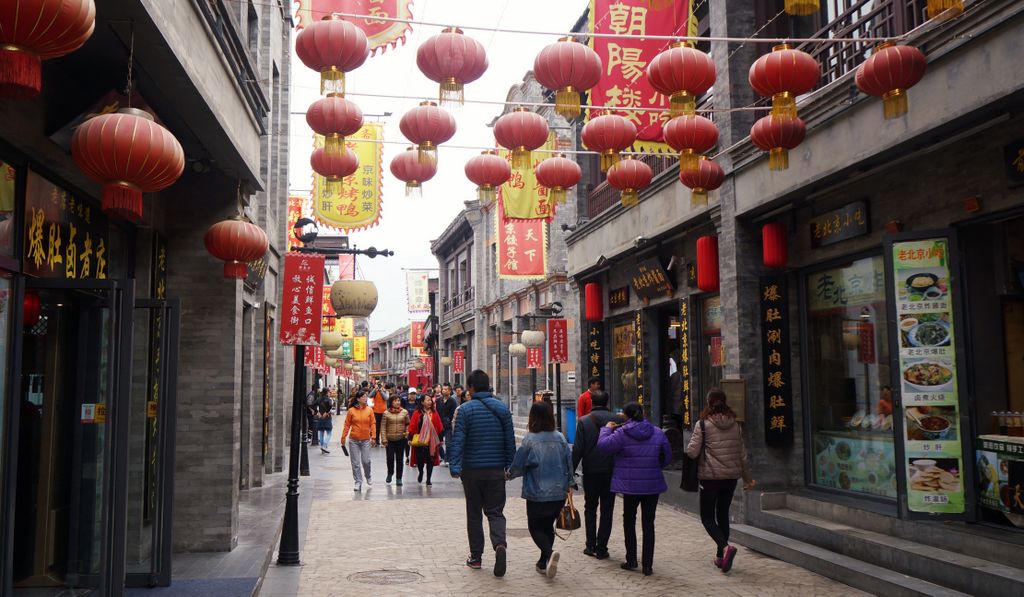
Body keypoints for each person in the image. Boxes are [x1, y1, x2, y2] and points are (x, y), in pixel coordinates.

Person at [448, 370, 515, 577]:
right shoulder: (502, 409)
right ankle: (500, 545)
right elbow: (510, 441)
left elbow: (458, 440)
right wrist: (509, 467)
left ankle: (476, 557)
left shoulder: (464, 410)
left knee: (474, 514)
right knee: (495, 512)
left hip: (472, 472)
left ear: (471, 388)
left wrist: (455, 467)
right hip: (496, 471)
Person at [597, 402, 672, 577]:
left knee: (629, 521)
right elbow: (667, 457)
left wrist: (606, 429)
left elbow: (603, 447)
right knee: (648, 523)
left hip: (630, 486)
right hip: (652, 486)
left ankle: (631, 560)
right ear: (643, 413)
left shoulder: (622, 433)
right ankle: (648, 565)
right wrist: (654, 467)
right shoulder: (658, 432)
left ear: (625, 415)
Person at [685, 388, 755, 573]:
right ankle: (720, 557)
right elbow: (742, 455)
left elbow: (692, 452)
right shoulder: (735, 425)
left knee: (707, 517)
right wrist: (748, 479)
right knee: (722, 514)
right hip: (730, 478)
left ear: (709, 403)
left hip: (710, 478)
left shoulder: (703, 424)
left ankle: (725, 548)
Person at [508, 401, 573, 578]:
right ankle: (543, 562)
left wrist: (509, 474)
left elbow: (519, 464)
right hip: (558, 491)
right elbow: (569, 462)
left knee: (535, 526)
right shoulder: (560, 437)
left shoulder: (530, 439)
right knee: (548, 527)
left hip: (537, 492)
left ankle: (549, 553)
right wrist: (570, 483)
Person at [571, 389, 619, 559]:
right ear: (607, 402)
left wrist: (570, 472)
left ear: (591, 402)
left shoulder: (584, 421)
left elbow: (578, 449)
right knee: (607, 510)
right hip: (611, 471)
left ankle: (590, 545)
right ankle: (602, 547)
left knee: (590, 508)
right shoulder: (618, 420)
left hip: (591, 471)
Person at [340, 390, 376, 491]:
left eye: (366, 396)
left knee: (366, 461)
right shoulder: (351, 411)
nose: (366, 398)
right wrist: (343, 437)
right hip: (354, 440)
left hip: (365, 440)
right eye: (364, 397)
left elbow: (373, 424)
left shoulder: (370, 410)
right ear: (358, 399)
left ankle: (368, 476)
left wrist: (373, 437)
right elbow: (347, 425)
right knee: (355, 463)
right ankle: (358, 481)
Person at [409, 393, 444, 485]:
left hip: (431, 441)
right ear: (422, 402)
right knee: (419, 459)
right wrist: (410, 438)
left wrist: (440, 439)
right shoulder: (417, 413)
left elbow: (439, 426)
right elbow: (412, 426)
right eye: (427, 400)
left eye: (430, 400)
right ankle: (421, 472)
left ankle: (428, 479)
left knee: (430, 460)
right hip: (420, 440)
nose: (429, 402)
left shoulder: (434, 413)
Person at [381, 396, 410, 485]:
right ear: (391, 402)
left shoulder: (404, 412)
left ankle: (399, 478)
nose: (398, 402)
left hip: (401, 439)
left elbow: (407, 424)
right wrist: (384, 439)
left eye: (398, 400)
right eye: (395, 401)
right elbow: (383, 427)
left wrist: (406, 432)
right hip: (389, 440)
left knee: (400, 460)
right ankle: (390, 472)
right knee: (390, 458)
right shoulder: (386, 413)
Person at [438, 383, 458, 466]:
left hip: (449, 425)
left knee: (448, 443)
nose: (444, 391)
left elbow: (455, 413)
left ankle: (447, 459)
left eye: (446, 389)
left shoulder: (452, 401)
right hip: (439, 424)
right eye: (443, 389)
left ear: (450, 391)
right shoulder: (439, 400)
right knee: (437, 443)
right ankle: (443, 456)